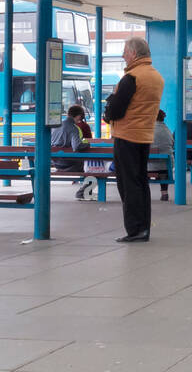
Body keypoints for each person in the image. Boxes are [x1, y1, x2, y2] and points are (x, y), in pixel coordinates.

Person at [103, 37, 164, 242]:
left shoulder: (131, 78)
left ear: (134, 54)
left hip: (126, 135)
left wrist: (109, 107)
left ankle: (135, 229)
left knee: (128, 184)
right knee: (140, 182)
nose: (123, 56)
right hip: (144, 135)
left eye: (125, 52)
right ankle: (144, 227)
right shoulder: (156, 77)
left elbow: (115, 110)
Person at [51, 104, 90, 200]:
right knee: (92, 170)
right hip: (69, 164)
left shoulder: (56, 125)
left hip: (55, 162)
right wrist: (87, 144)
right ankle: (82, 193)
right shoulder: (73, 128)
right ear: (79, 116)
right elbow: (77, 146)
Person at [150, 109, 174, 201]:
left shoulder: (149, 130)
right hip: (167, 166)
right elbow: (172, 144)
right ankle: (164, 193)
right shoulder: (167, 130)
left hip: (150, 166)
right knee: (163, 169)